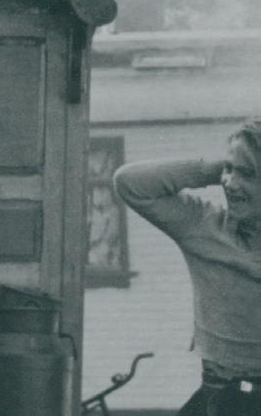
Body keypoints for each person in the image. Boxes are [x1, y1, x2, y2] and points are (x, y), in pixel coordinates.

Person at [113, 118, 261, 415]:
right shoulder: (203, 225)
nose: (230, 183)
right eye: (229, 170)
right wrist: (217, 168)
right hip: (218, 393)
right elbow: (130, 183)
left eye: (247, 174)